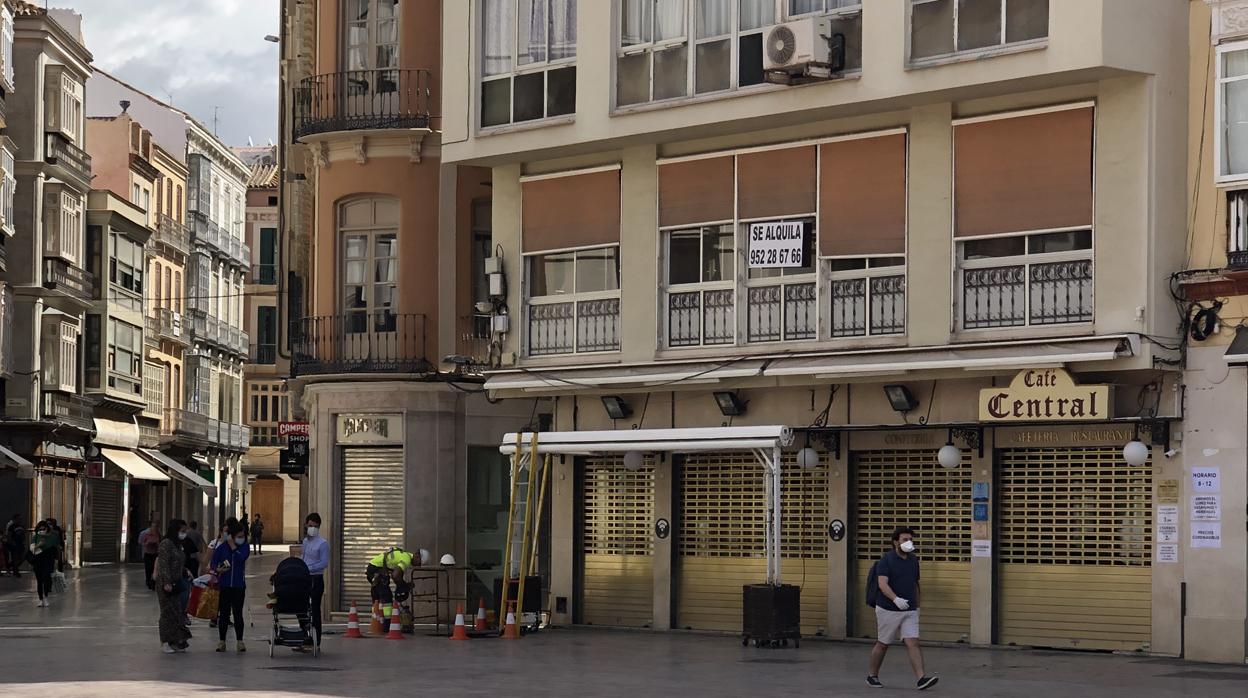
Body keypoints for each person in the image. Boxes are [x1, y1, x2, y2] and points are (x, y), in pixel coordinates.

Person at [867, 526, 937, 691]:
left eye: (910, 539)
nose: (908, 542)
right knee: (883, 644)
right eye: (905, 539)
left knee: (912, 642)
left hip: (909, 610)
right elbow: (882, 584)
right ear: (895, 542)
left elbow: (915, 584)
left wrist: (917, 606)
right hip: (888, 609)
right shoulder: (886, 560)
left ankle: (921, 678)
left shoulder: (913, 560)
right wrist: (895, 599)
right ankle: (872, 675)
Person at [211, 520, 250, 653]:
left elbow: (241, 558)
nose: (241, 538)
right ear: (231, 535)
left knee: (238, 613)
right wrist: (217, 570)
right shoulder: (221, 549)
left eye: (242, 536)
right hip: (225, 585)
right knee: (224, 613)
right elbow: (213, 564)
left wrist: (234, 546)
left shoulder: (244, 547)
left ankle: (240, 641)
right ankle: (222, 641)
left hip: (239, 585)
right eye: (238, 536)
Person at [155, 519, 192, 654]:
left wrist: (185, 570)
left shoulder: (178, 545)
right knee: (166, 612)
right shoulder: (166, 544)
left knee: (176, 611)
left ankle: (176, 640)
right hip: (166, 584)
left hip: (177, 582)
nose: (184, 533)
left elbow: (178, 562)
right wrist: (166, 582)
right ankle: (164, 641)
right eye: (182, 531)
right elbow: (163, 564)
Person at [366, 546, 414, 631]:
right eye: (420, 562)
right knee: (386, 597)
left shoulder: (403, 555)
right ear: (417, 556)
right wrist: (403, 586)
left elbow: (396, 575)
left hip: (373, 568)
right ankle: (386, 625)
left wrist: (402, 585)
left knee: (377, 596)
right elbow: (395, 575)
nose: (419, 565)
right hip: (377, 570)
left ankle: (377, 623)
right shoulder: (407, 559)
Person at [300, 513, 329, 647]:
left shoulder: (322, 544)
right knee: (301, 607)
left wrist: (309, 568)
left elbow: (324, 563)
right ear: (306, 525)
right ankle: (305, 635)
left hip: (316, 579)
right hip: (305, 578)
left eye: (315, 526)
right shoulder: (305, 542)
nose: (312, 528)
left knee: (315, 609)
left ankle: (317, 640)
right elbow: (304, 557)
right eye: (310, 526)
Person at [29, 521, 59, 607]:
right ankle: (40, 599)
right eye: (40, 529)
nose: (42, 530)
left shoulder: (53, 537)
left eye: (44, 528)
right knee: (39, 580)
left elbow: (56, 550)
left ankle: (45, 597)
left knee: (46, 578)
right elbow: (32, 549)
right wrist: (39, 545)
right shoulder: (35, 537)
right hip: (38, 560)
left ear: (47, 529)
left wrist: (56, 561)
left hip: (48, 560)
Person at [139, 520, 160, 591]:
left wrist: (157, 544)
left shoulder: (158, 535)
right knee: (148, 569)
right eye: (153, 526)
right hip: (148, 554)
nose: (154, 528)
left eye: (155, 527)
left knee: (154, 568)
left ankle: (153, 582)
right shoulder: (146, 534)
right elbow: (141, 543)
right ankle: (148, 581)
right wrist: (147, 543)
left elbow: (160, 544)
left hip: (154, 554)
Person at [4, 513, 25, 577]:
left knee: (21, 558)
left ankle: (10, 566)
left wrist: (24, 541)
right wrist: (12, 543)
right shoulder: (11, 526)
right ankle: (16, 572)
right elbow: (9, 536)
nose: (20, 520)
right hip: (14, 545)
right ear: (15, 519)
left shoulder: (21, 526)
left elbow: (23, 534)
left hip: (21, 544)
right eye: (19, 519)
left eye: (21, 519)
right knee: (15, 558)